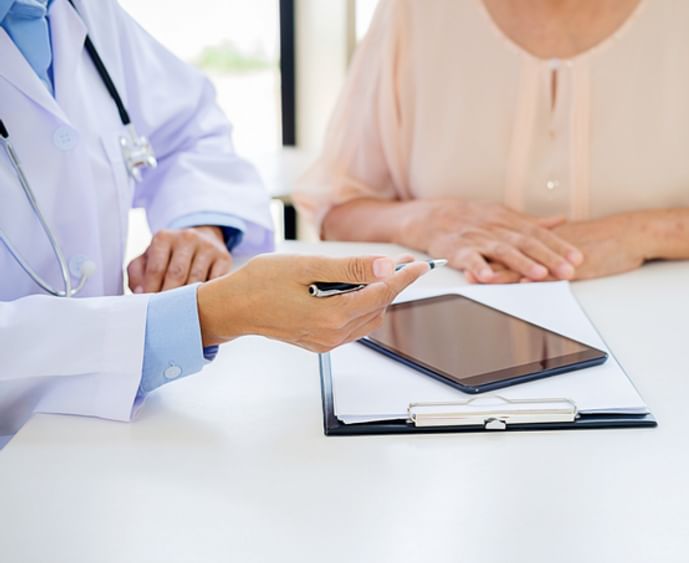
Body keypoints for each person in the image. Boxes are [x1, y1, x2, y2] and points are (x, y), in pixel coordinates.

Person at [0, 0, 429, 447]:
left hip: (94, 441)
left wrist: (202, 225)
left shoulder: (74, 10)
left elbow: (190, 131)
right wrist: (208, 315)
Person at [295, 0, 689, 284]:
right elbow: (337, 208)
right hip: (446, 367)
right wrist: (427, 220)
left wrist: (642, 233)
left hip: (682, 370)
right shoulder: (417, 10)